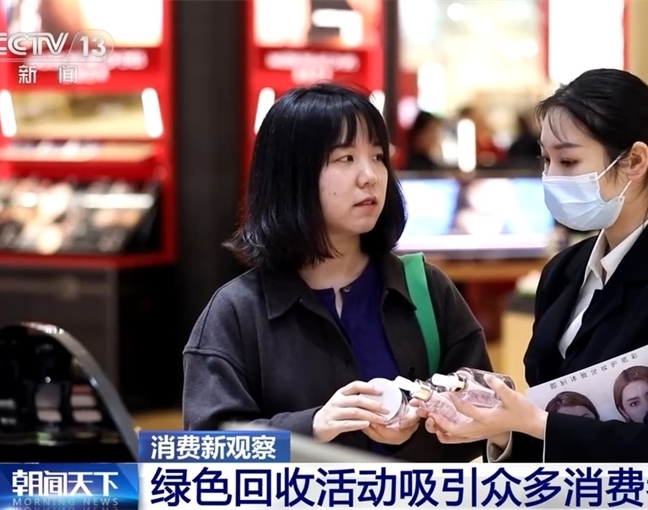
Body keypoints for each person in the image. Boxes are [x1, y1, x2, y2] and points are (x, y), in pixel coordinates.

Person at [416, 68, 648, 462]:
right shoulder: (563, 272)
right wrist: (502, 429)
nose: (551, 177)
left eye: (568, 161)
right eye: (546, 160)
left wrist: (536, 423)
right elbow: (556, 421)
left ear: (634, 161)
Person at [182, 83, 492, 462]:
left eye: (378, 156)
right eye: (345, 158)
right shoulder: (237, 311)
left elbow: (485, 424)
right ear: (290, 175)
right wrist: (311, 426)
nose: (370, 176)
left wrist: (424, 422)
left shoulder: (426, 289)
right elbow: (204, 451)